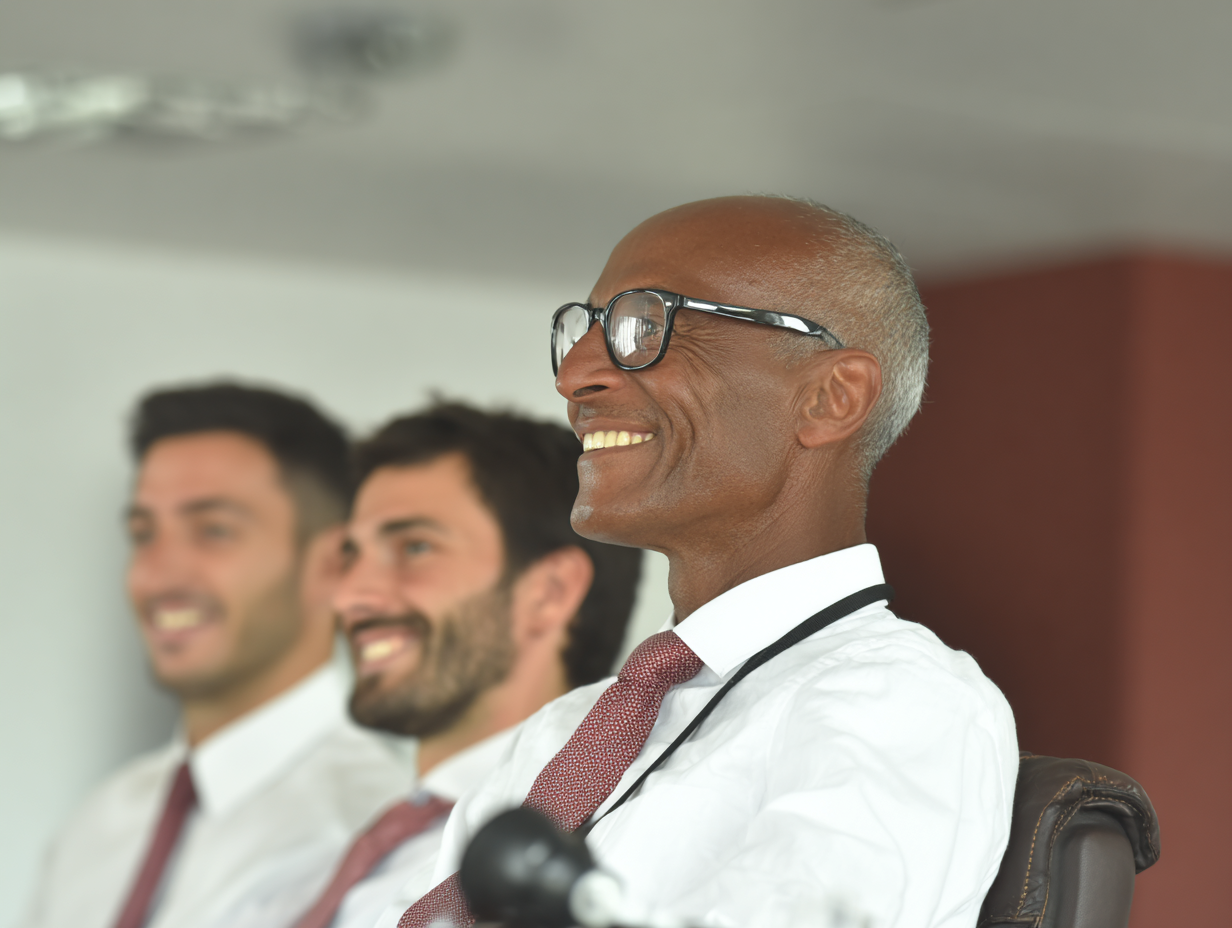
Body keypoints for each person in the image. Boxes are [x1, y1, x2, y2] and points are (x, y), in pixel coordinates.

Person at [404, 196, 1020, 928]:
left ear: (830, 397)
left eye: (645, 325)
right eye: (585, 329)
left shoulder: (901, 703)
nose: (573, 376)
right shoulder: (565, 733)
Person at [208, 403, 643, 928]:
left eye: (415, 546)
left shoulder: (608, 867)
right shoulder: (316, 859)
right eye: (352, 554)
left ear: (548, 593)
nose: (349, 596)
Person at [21, 383, 416, 928]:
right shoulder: (98, 824)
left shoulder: (373, 835)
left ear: (332, 564)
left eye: (213, 530)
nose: (158, 576)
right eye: (144, 533)